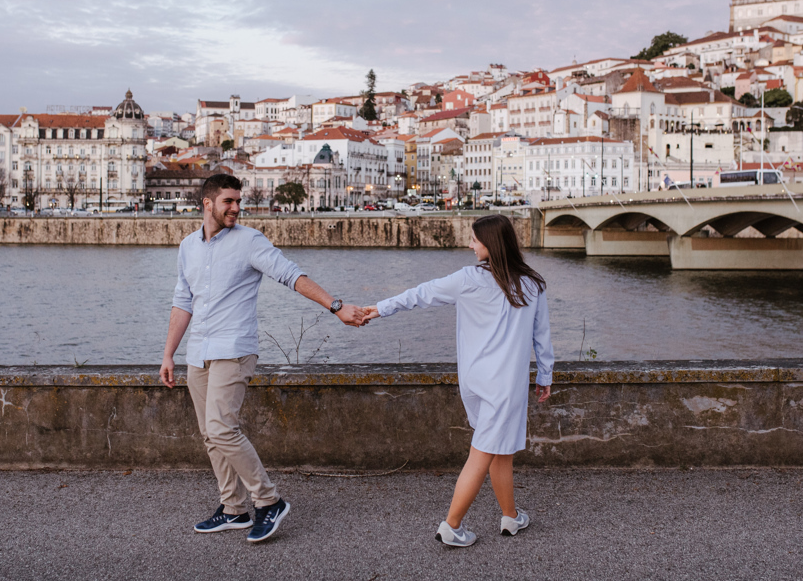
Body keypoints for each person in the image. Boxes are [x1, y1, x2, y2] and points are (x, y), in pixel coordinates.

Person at [159, 173, 366, 543]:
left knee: (222, 429)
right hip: (199, 352)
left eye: (238, 201)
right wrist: (168, 354)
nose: (236, 208)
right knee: (210, 435)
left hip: (234, 349)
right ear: (207, 204)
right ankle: (233, 508)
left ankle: (269, 501)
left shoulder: (249, 241)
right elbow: (182, 302)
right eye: (229, 201)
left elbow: (291, 275)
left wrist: (335, 306)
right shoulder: (188, 246)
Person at [362, 213, 553, 548]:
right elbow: (542, 336)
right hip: (505, 385)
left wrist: (378, 309)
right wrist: (545, 374)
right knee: (483, 452)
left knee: (500, 449)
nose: (470, 245)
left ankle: (510, 516)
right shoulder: (532, 285)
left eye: (474, 240)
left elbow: (420, 294)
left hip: (474, 380)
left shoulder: (467, 279)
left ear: (490, 244)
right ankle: (451, 525)